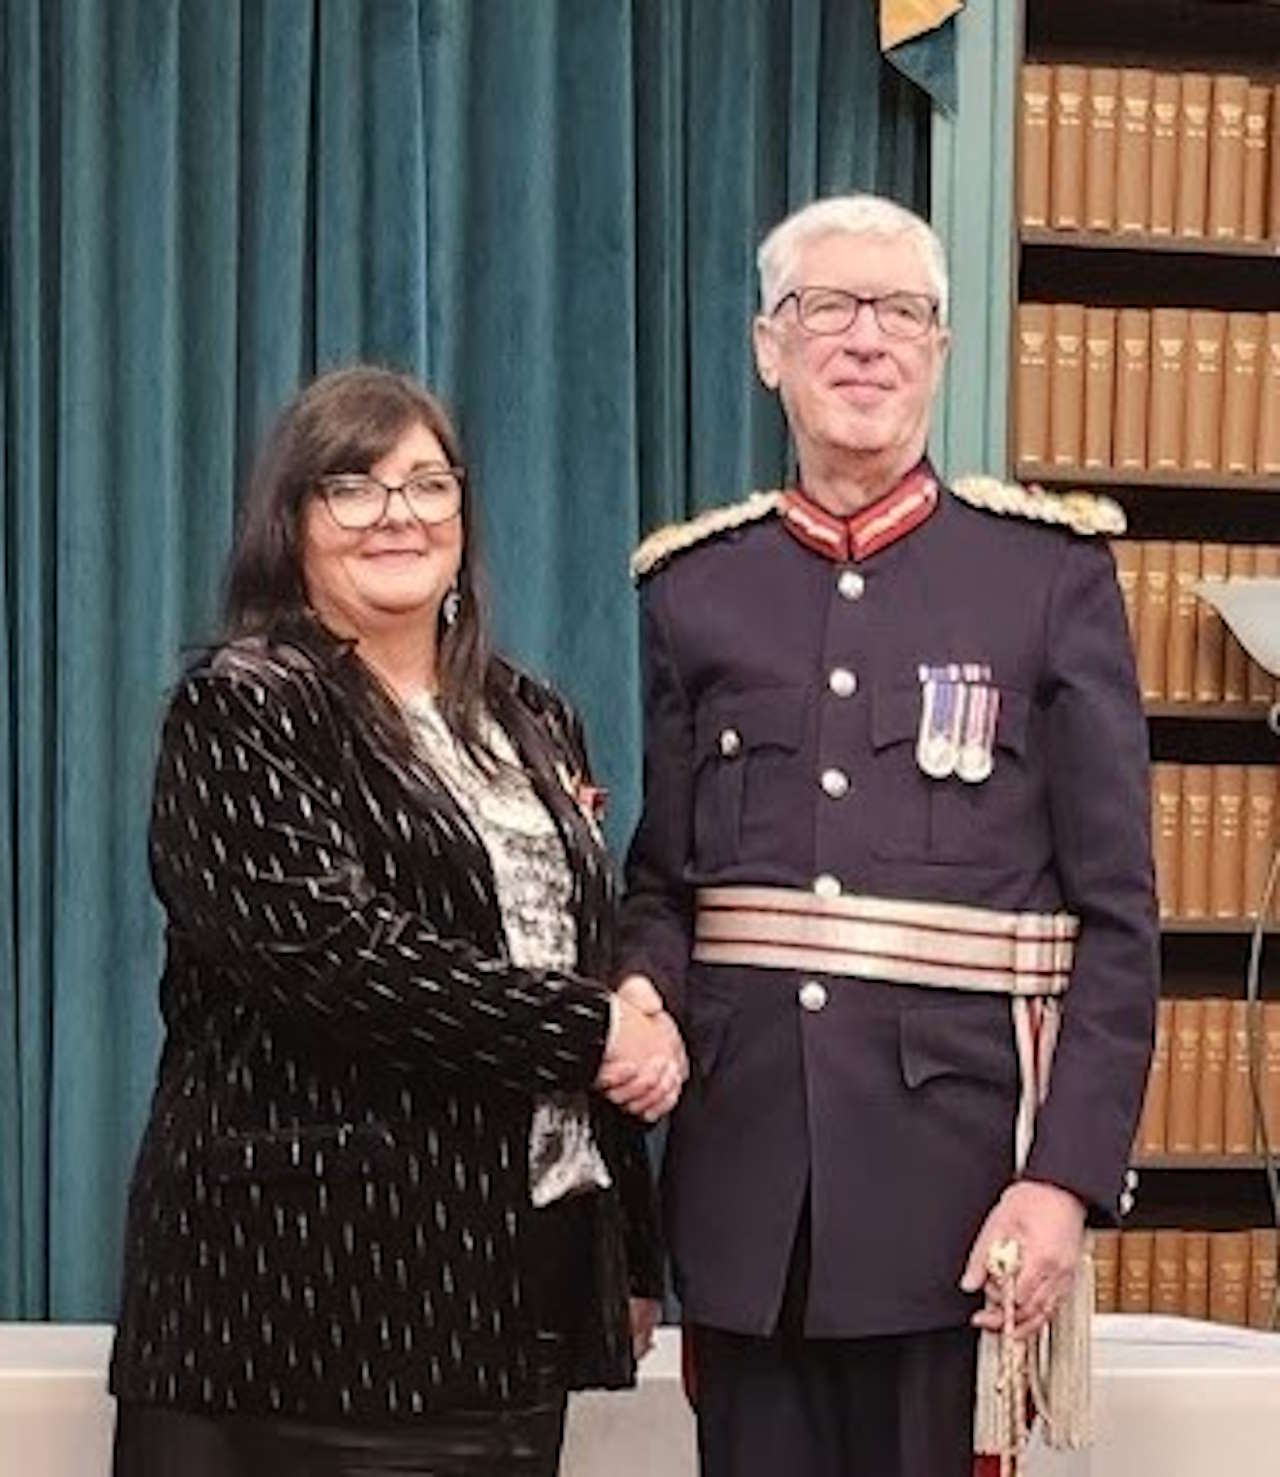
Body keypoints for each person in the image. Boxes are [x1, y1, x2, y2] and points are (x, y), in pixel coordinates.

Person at [616, 195, 1159, 1477]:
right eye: (826, 309)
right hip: (750, 1208)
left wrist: (1063, 1179)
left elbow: (1118, 922)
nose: (864, 339)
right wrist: (638, 987)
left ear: (939, 347)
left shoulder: (1047, 577)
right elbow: (665, 888)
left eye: (899, 311)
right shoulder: (695, 591)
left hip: (958, 1204)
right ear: (766, 346)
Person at [109, 365, 685, 1477]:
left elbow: (579, 952)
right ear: (293, 523)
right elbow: (335, 958)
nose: (399, 516)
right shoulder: (243, 707)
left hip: (511, 1296)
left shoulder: (529, 716)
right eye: (355, 488)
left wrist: (627, 1251)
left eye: (428, 484)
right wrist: (594, 1033)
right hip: (300, 1311)